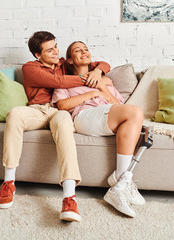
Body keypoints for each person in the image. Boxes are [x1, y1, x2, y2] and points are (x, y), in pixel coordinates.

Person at [0, 32, 111, 222]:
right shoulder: (29, 67)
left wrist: (98, 72)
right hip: (38, 111)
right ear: (37, 55)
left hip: (61, 109)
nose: (56, 52)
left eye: (56, 46)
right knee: (15, 113)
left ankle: (69, 197)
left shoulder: (64, 64)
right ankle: (8, 183)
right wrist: (90, 80)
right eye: (49, 50)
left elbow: (103, 64)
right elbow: (57, 82)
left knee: (64, 123)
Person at [51, 41, 145, 218]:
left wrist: (102, 87)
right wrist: (93, 93)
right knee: (135, 112)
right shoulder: (65, 82)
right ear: (70, 60)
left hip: (106, 115)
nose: (84, 51)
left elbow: (119, 106)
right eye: (77, 51)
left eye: (86, 49)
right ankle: (121, 181)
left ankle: (121, 182)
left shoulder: (105, 82)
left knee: (133, 116)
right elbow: (62, 105)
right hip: (84, 117)